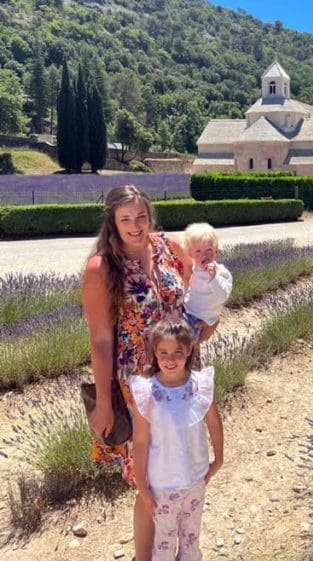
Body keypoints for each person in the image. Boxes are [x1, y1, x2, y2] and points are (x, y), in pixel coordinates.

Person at [82, 185, 211, 561]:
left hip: (179, 372)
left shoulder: (171, 248)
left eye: (141, 217)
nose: (135, 226)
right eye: (125, 219)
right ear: (112, 222)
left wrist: (206, 322)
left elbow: (196, 297)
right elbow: (102, 342)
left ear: (150, 215)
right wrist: (104, 404)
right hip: (137, 383)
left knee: (180, 467)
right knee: (150, 480)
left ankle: (182, 550)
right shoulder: (102, 267)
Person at [130, 318, 223, 561]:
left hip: (195, 479)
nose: (170, 360)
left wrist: (219, 460)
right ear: (155, 353)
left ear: (190, 349)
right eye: (163, 353)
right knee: (164, 545)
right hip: (163, 485)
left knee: (191, 540)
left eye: (177, 352)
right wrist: (142, 486)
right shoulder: (147, 392)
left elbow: (213, 421)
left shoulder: (201, 385)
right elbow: (140, 442)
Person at [182, 222, 232, 343]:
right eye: (198, 251)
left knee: (184, 346)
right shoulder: (193, 268)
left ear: (216, 251)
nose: (204, 255)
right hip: (186, 311)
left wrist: (213, 279)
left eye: (209, 250)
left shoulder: (221, 273)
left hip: (198, 320)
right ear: (190, 253)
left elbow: (223, 297)